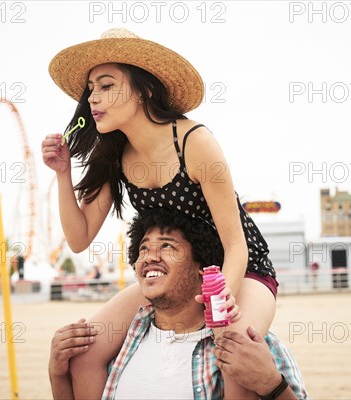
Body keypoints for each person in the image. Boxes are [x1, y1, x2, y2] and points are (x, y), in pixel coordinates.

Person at [43, 28, 278, 398]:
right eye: (90, 89)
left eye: (106, 85)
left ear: (144, 90)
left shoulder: (194, 142)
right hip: (177, 275)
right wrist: (62, 174)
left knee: (235, 356)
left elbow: (237, 246)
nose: (93, 98)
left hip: (241, 272)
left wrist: (219, 307)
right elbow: (78, 237)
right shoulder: (116, 155)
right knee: (83, 353)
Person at [49, 209, 308, 399]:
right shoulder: (118, 344)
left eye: (167, 246)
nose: (150, 256)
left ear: (202, 267)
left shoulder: (253, 345)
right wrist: (57, 375)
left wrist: (272, 384)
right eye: (143, 249)